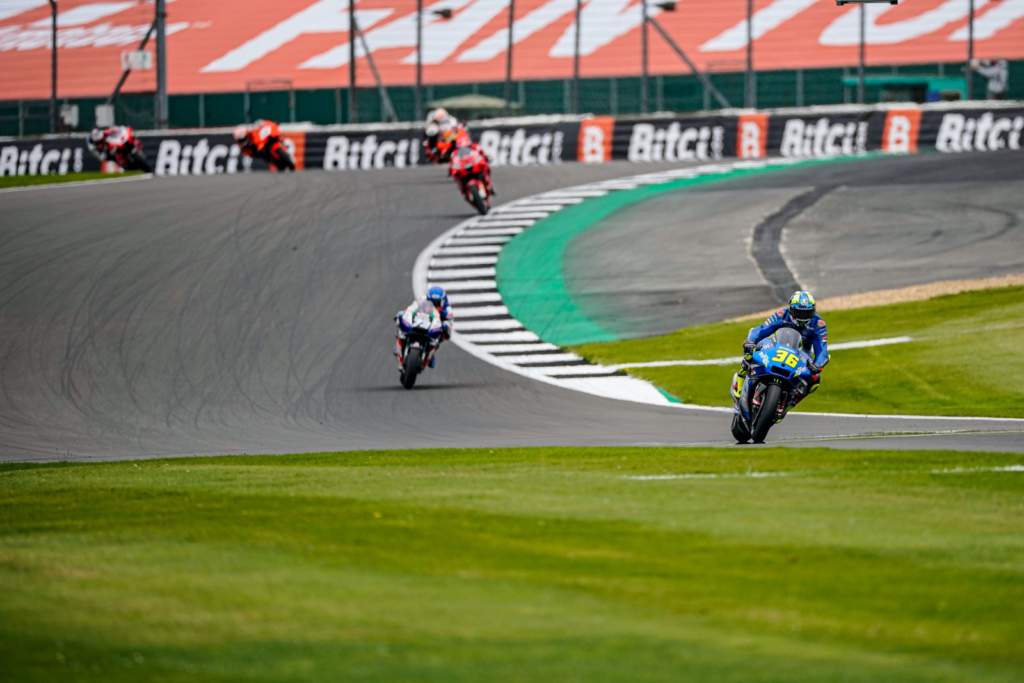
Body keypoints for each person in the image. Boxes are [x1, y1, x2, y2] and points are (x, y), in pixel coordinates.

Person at [730, 290, 829, 406]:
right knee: (751, 353)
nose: (802, 317)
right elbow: (761, 329)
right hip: (776, 347)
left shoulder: (818, 324)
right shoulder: (782, 314)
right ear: (791, 309)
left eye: (807, 313)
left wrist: (818, 364)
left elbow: (822, 349)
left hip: (801, 355)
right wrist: (751, 341)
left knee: (815, 379)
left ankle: (791, 400)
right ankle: (740, 382)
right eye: (799, 312)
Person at [394, 286, 454, 368]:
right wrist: (404, 313)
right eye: (432, 302)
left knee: (441, 336)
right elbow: (412, 307)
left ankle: (430, 354)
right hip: (421, 321)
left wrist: (446, 326)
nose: (434, 305)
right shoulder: (423, 299)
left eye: (437, 303)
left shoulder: (447, 309)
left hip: (434, 326)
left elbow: (449, 325)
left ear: (442, 301)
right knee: (400, 320)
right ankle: (400, 343)